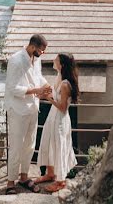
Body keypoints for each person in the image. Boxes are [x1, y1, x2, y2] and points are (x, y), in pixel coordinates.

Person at [4, 34, 52, 195]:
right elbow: (12, 88)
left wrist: (46, 86)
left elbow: (37, 77)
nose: (43, 53)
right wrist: (36, 91)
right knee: (16, 146)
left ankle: (24, 177)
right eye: (41, 50)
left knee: (30, 144)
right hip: (18, 109)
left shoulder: (36, 59)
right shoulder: (16, 60)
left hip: (32, 107)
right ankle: (10, 182)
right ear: (33, 46)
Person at [36, 53, 79, 193]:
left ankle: (60, 181)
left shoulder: (66, 84)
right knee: (48, 142)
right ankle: (50, 173)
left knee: (59, 146)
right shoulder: (58, 77)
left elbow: (63, 107)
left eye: (56, 59)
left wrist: (48, 98)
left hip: (60, 118)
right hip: (52, 116)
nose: (54, 60)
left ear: (62, 64)